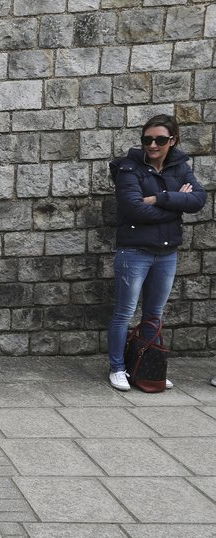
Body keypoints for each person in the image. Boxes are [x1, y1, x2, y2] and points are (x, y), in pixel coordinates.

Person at [107, 114, 207, 391]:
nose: (152, 145)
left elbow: (198, 199)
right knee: (124, 313)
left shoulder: (180, 167)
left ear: (172, 141)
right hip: (134, 252)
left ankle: (148, 367)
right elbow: (133, 209)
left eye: (160, 140)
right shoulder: (129, 169)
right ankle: (117, 367)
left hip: (166, 253)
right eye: (147, 139)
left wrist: (160, 198)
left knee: (154, 313)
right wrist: (177, 203)